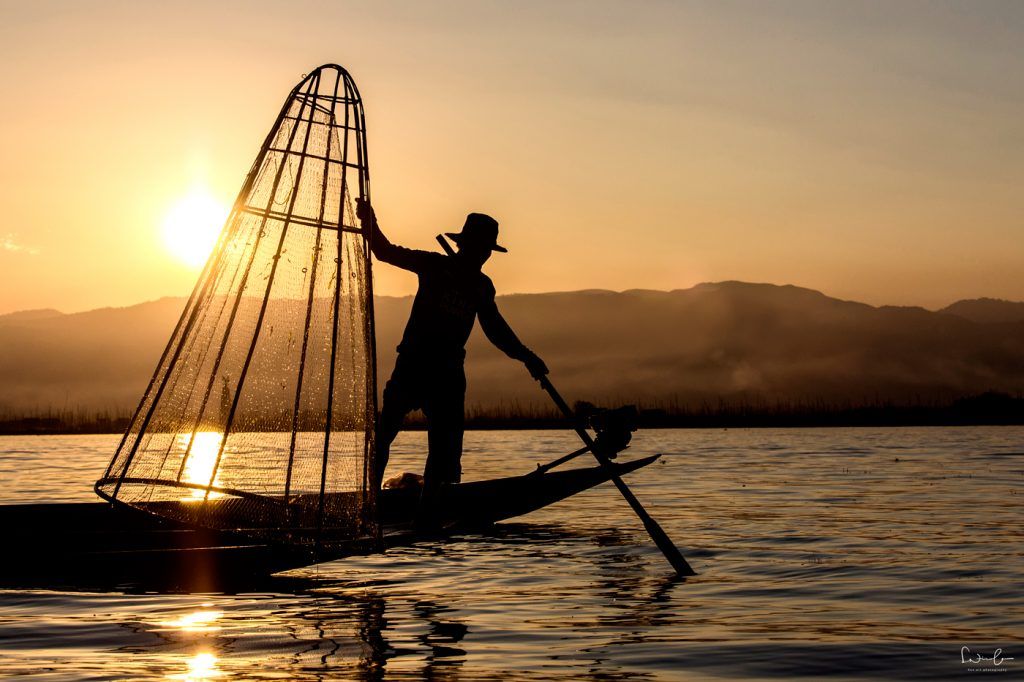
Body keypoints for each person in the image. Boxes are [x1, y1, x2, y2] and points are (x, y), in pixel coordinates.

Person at [356, 199, 548, 506]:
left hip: (447, 374)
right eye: (481, 248)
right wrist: (370, 223)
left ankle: (429, 508)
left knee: (443, 448)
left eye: (488, 250)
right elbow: (385, 252)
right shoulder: (434, 266)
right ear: (465, 245)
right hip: (413, 364)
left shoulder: (482, 287)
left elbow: (496, 330)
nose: (484, 255)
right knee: (385, 431)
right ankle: (371, 501)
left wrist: (528, 358)